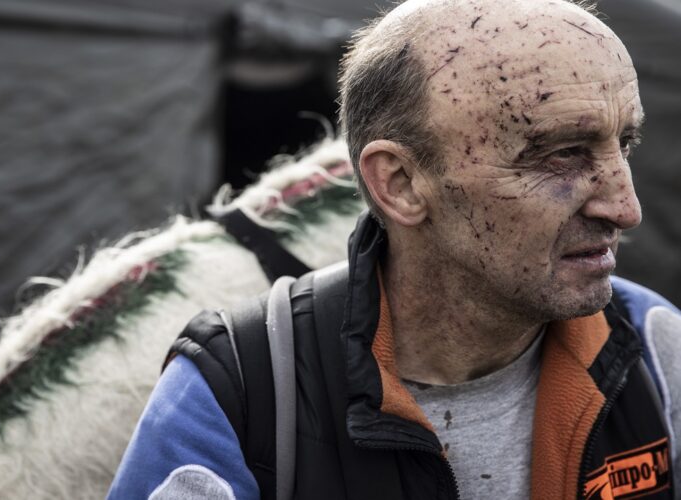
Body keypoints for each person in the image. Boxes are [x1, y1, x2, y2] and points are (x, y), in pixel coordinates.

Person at [108, 0, 681, 498]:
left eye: (624, 143)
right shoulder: (240, 390)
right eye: (562, 154)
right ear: (401, 184)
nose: (625, 208)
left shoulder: (655, 347)